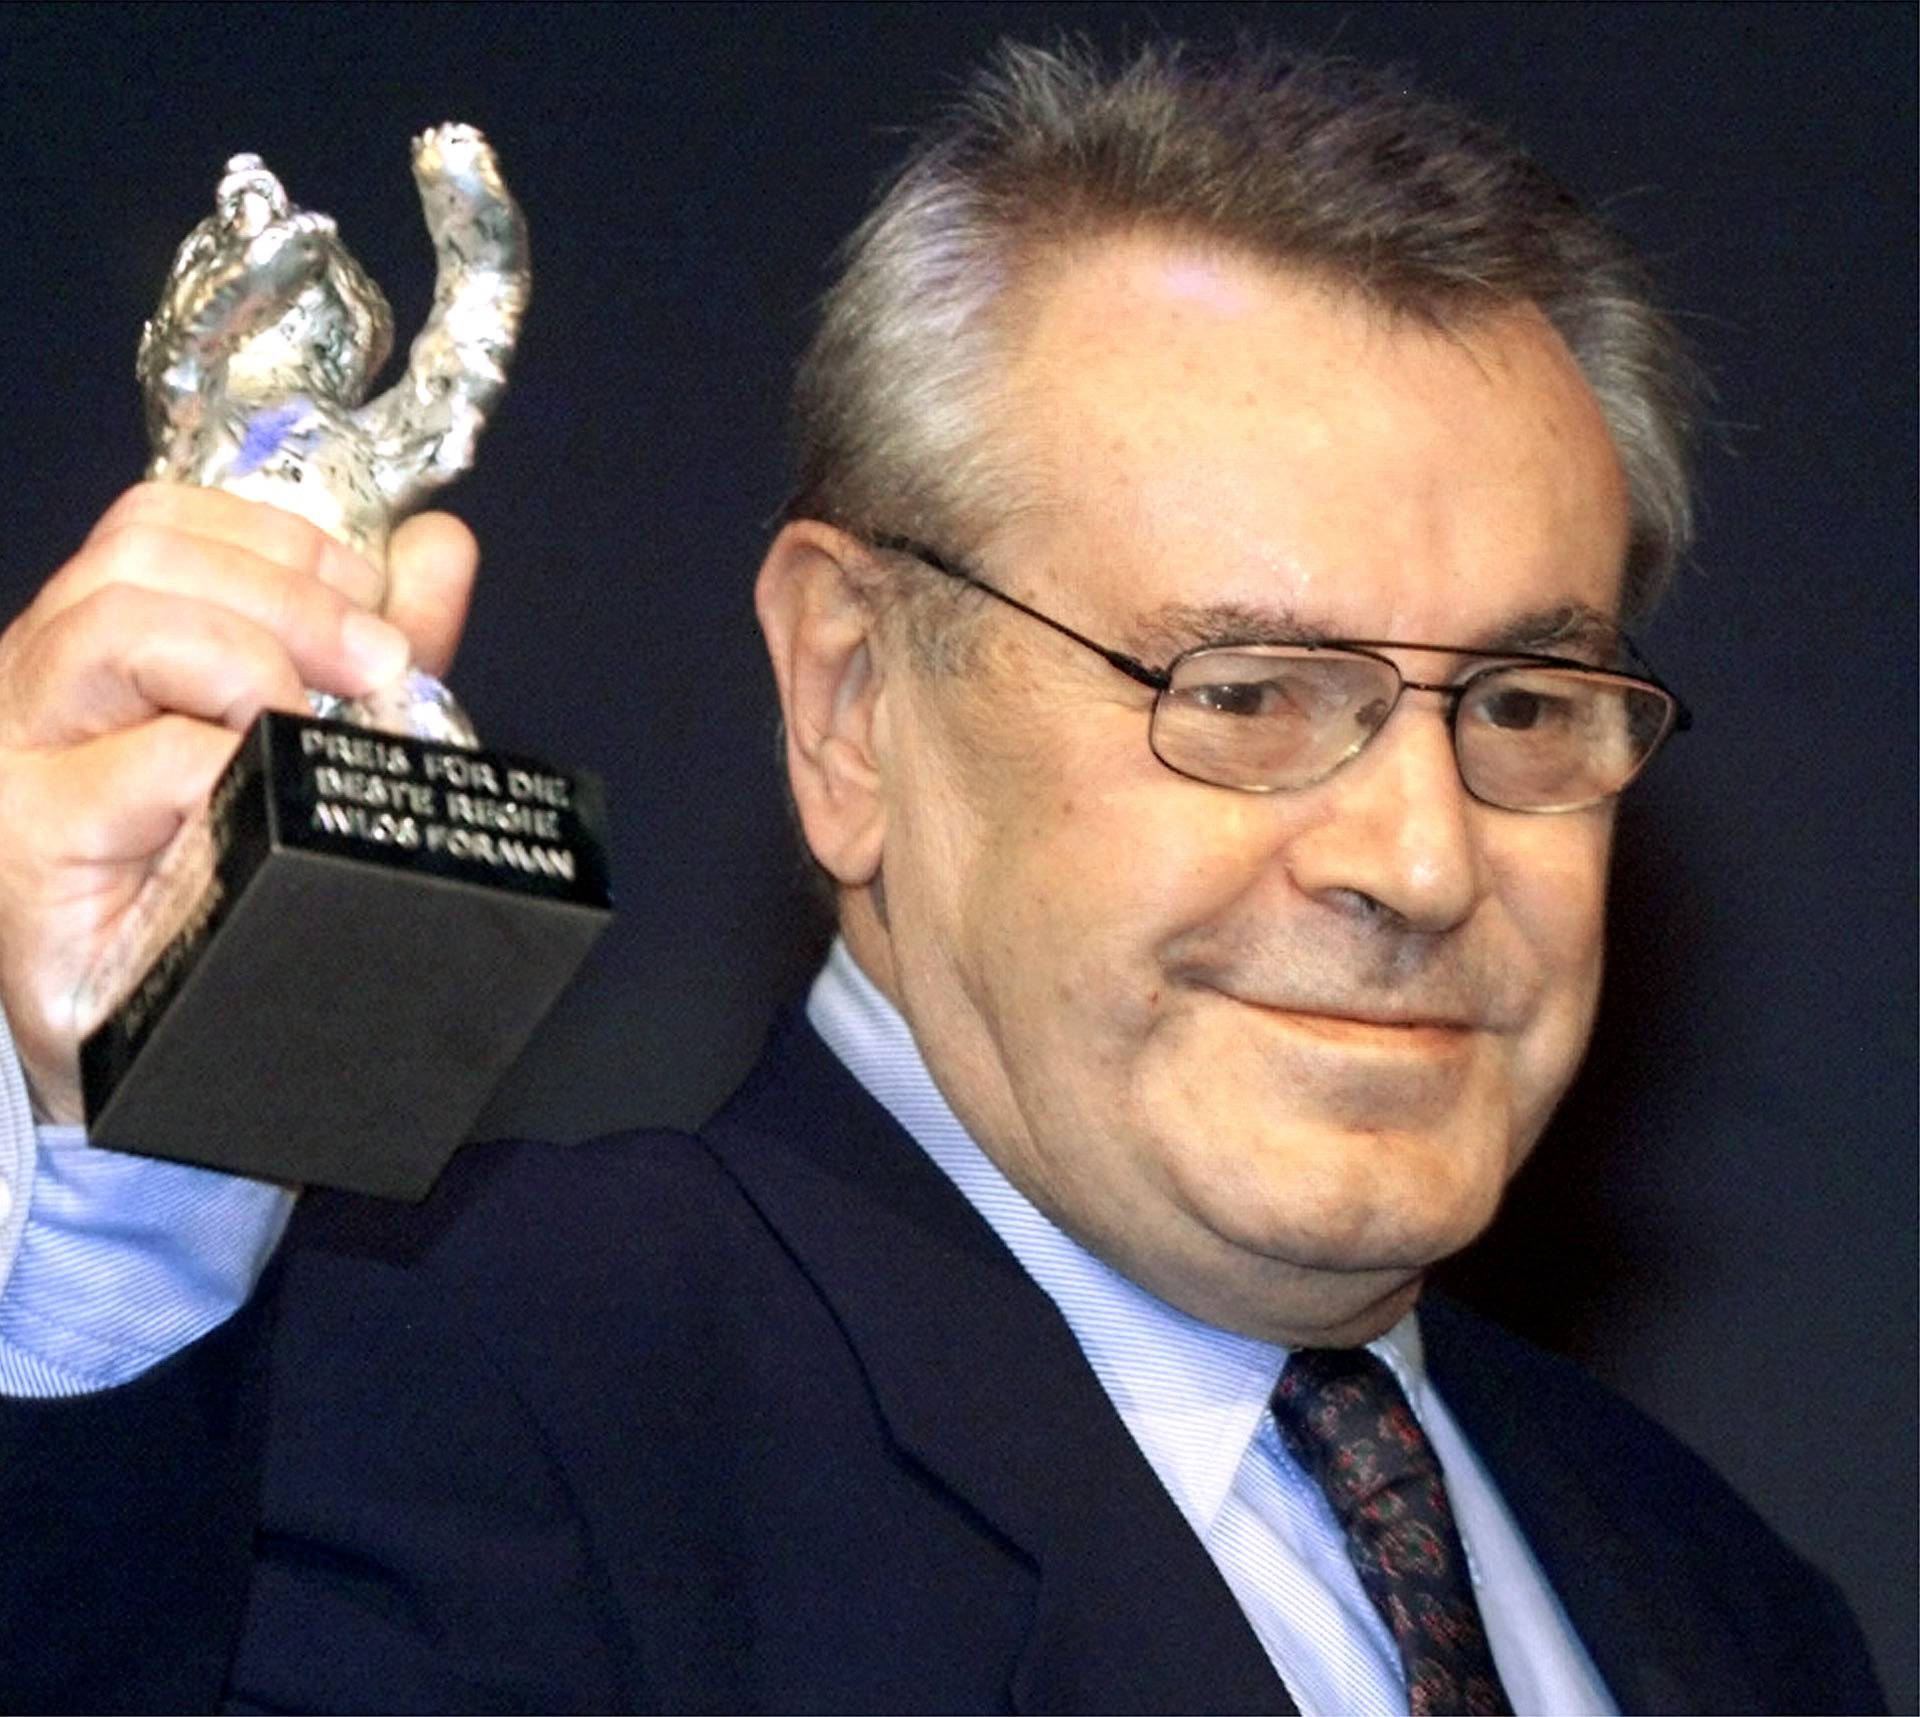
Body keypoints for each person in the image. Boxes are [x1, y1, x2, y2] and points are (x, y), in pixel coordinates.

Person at [0, 40, 1884, 1716]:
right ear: (851, 702)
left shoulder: (1718, 1600)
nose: (1416, 855)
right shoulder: (434, 1411)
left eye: (1527, 703)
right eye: (1240, 689)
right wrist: (110, 1261)